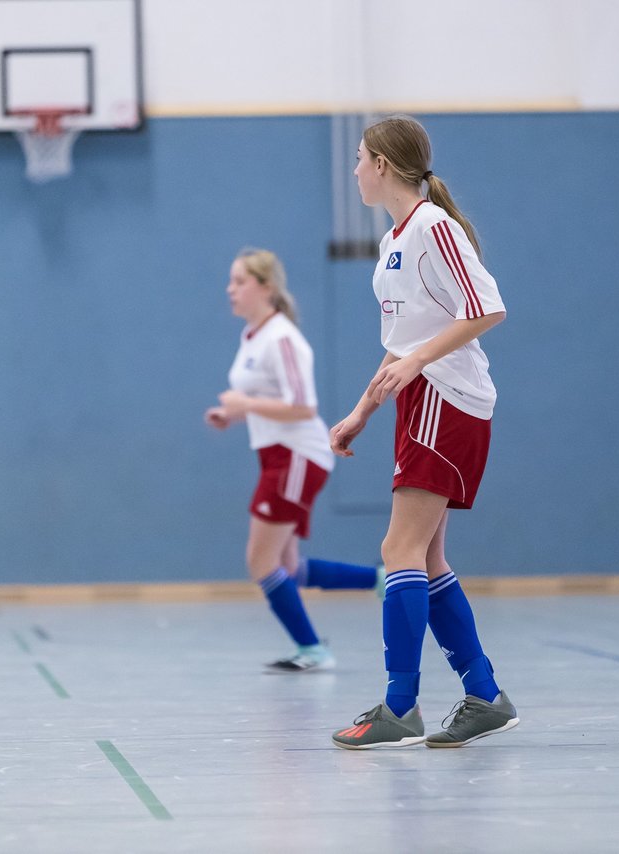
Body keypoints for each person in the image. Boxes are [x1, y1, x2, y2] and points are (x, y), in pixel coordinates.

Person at [327, 115, 518, 750]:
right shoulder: (394, 242)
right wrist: (362, 410)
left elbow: (488, 308)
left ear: (383, 164)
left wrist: (417, 364)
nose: (354, 170)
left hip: (447, 399)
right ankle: (484, 694)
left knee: (398, 550)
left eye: (359, 158)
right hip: (420, 398)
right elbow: (401, 345)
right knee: (427, 557)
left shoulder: (435, 228)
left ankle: (400, 706)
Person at [205, 248, 382, 673]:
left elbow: (302, 406)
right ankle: (383, 580)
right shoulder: (253, 336)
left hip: (298, 456)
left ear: (266, 287)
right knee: (286, 566)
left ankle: (313, 649)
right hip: (276, 457)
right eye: (230, 281)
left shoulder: (281, 337)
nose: (230, 289)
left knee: (260, 562)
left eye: (239, 281)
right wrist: (234, 412)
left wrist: (244, 403)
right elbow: (268, 399)